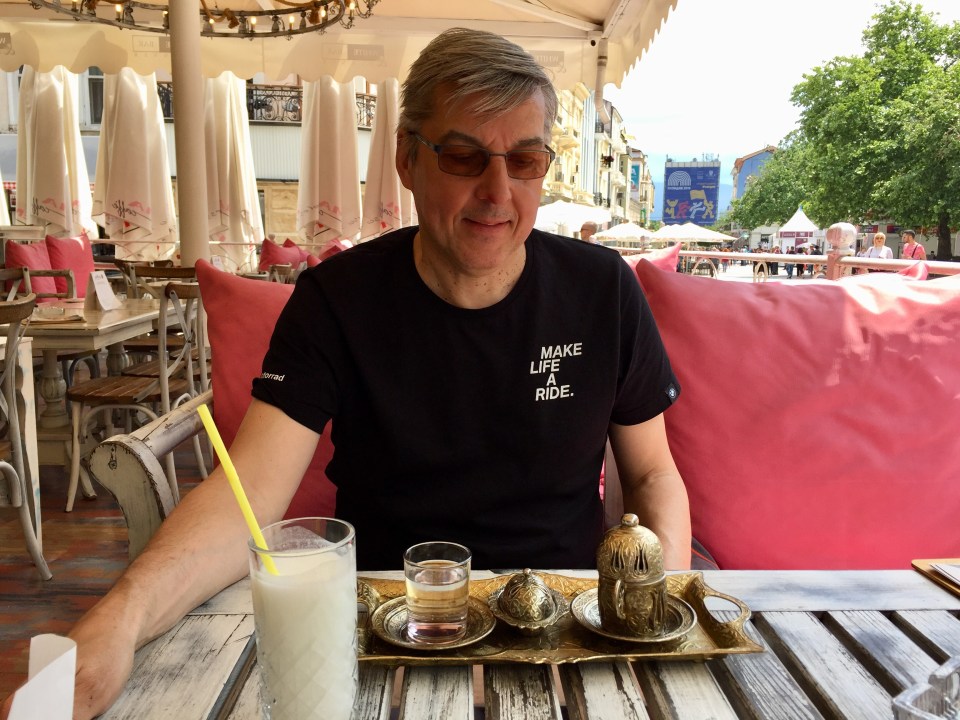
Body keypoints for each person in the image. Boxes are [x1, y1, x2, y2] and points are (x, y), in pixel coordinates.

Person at [2, 28, 692, 720]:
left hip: (560, 633)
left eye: (525, 161)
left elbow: (653, 476)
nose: (497, 191)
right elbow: (250, 489)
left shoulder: (602, 290)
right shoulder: (337, 299)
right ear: (406, 159)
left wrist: (656, 619)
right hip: (383, 636)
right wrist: (121, 616)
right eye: (463, 156)